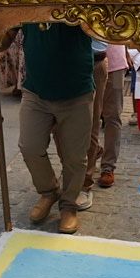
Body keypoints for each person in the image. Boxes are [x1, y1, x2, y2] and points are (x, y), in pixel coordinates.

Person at [19, 22, 96, 235]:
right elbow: (6, 27)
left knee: (75, 156)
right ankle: (49, 191)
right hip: (36, 89)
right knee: (29, 146)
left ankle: (69, 205)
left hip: (76, 90)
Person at [86, 41, 128, 189]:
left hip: (116, 66)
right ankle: (93, 152)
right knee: (90, 117)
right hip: (90, 62)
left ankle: (108, 167)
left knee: (113, 115)